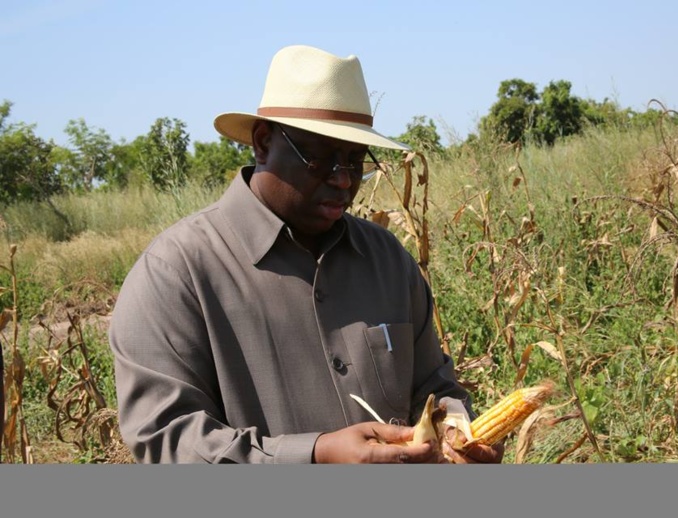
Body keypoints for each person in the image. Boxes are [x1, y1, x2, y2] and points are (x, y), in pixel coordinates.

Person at [108, 44, 504, 464]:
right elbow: (166, 440)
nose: (343, 181)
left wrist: (460, 431)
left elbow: (434, 386)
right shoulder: (177, 273)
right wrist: (314, 457)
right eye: (320, 158)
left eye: (355, 162)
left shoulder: (386, 259)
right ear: (263, 143)